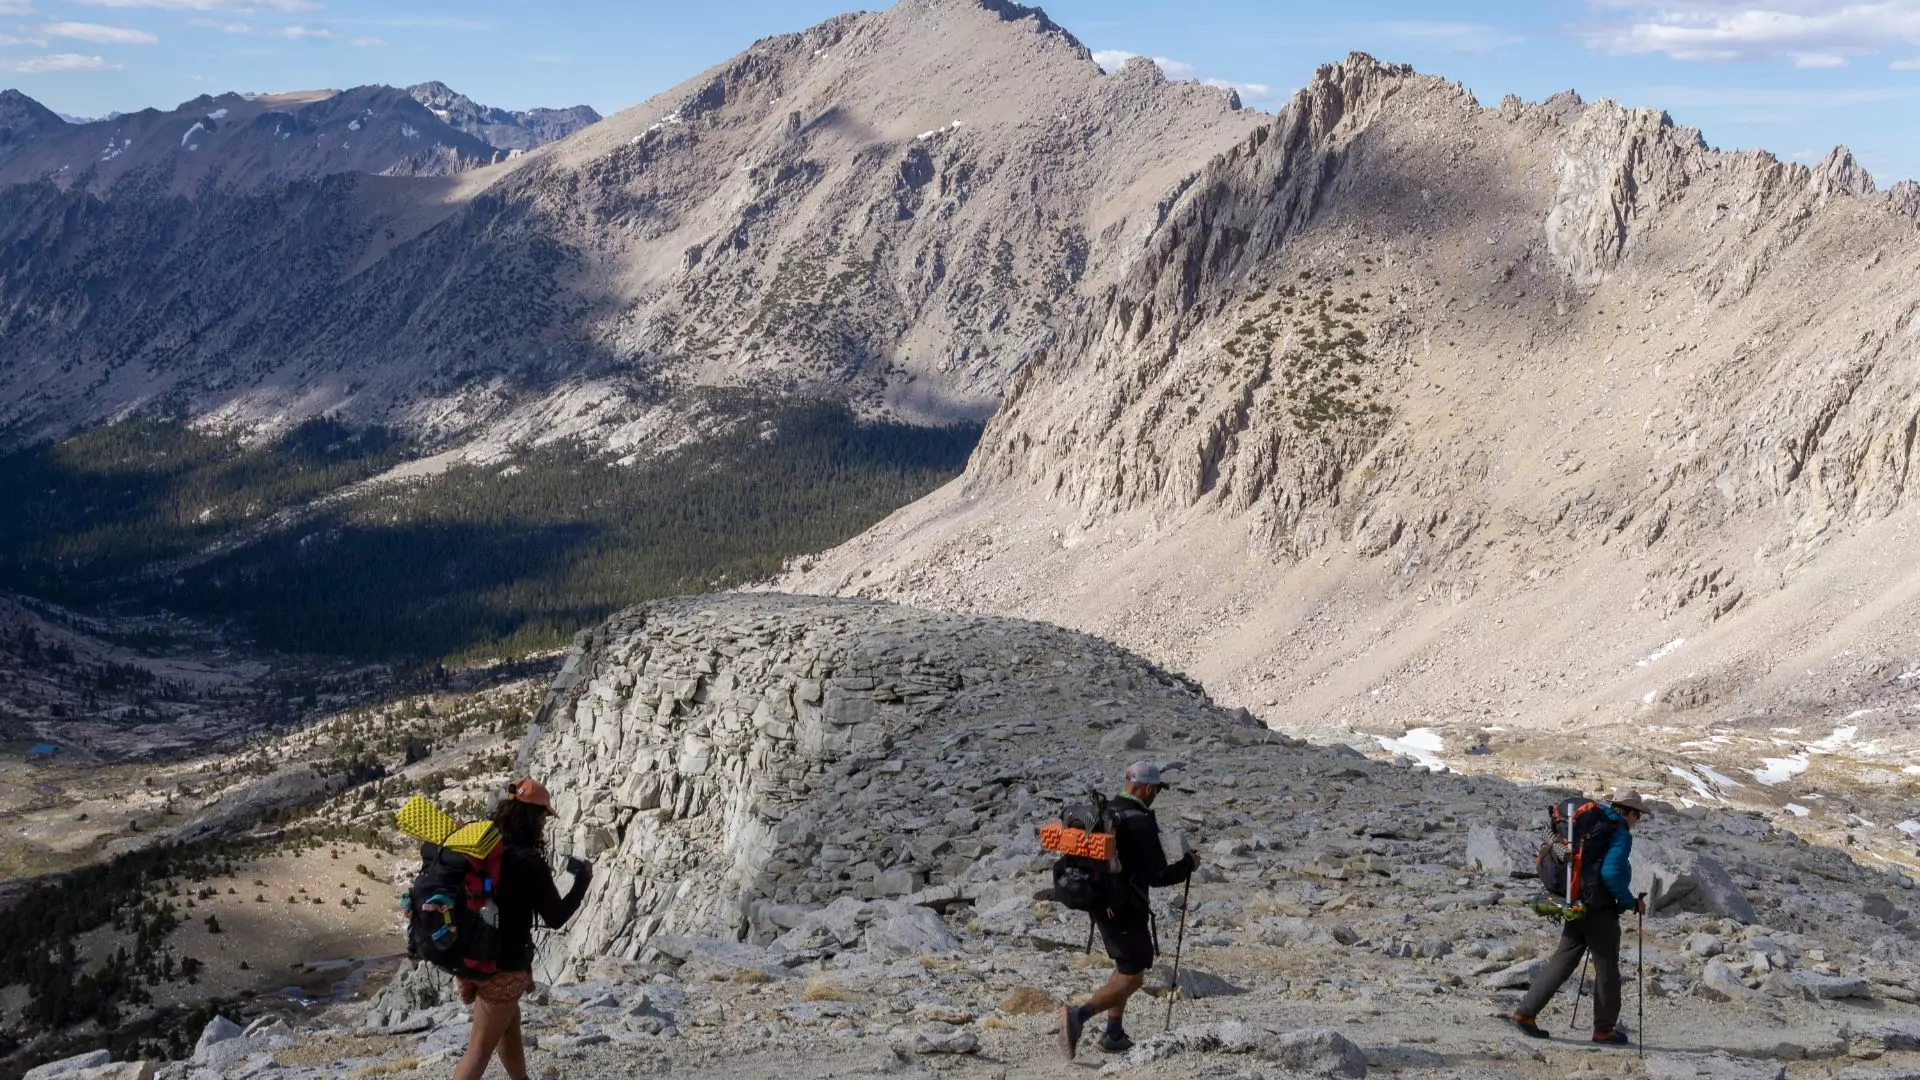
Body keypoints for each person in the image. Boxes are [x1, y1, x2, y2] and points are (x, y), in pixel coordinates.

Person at [1059, 761, 1201, 1059]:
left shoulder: (1110, 810)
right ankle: (1078, 1016)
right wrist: (1188, 865)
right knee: (1133, 976)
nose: (1157, 795)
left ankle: (1113, 1033)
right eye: (1157, 790)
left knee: (1124, 967)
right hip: (1125, 907)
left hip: (1101, 903)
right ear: (1147, 788)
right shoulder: (1140, 821)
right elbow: (1158, 876)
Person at [451, 778, 591, 1080]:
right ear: (533, 818)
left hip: (473, 956)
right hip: (504, 965)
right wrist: (582, 883)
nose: (543, 823)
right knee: (478, 1049)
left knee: (508, 1027)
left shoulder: (487, 849)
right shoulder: (528, 862)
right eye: (542, 816)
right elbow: (555, 917)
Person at [1510, 789, 1651, 1046]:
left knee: (1562, 961)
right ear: (1629, 812)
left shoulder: (1591, 824)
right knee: (1607, 969)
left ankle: (1525, 1014)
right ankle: (1604, 1030)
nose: (1636, 821)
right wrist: (1631, 903)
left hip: (1575, 902)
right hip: (1599, 910)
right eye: (1637, 816)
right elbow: (1610, 873)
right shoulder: (1618, 831)